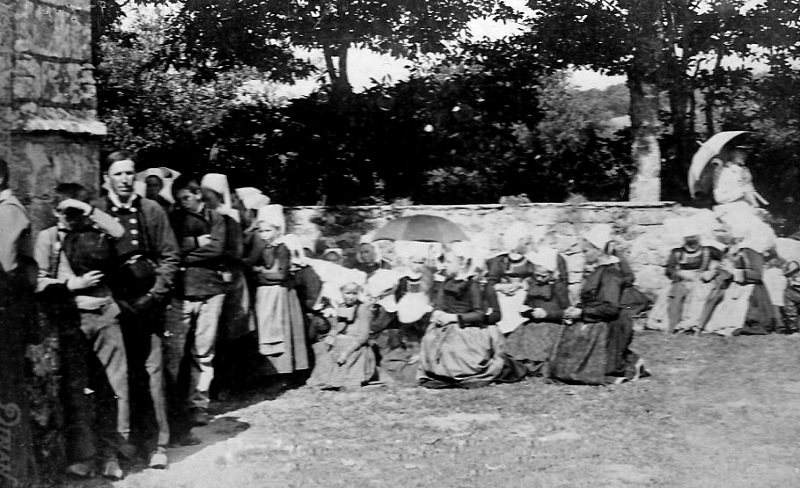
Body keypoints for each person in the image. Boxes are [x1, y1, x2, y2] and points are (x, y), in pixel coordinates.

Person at [35, 183, 130, 479]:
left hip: (103, 315)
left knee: (114, 388)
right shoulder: (47, 238)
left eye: (76, 211)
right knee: (75, 390)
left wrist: (89, 211)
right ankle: (84, 456)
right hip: (70, 319)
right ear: (54, 211)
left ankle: (112, 454)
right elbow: (37, 280)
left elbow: (120, 233)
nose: (71, 218)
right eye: (66, 212)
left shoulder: (95, 233)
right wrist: (71, 285)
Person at [99, 151, 178, 468]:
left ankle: (157, 446)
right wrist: (112, 301)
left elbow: (170, 257)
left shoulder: (152, 210)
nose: (124, 179)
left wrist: (155, 296)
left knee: (153, 375)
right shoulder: (99, 213)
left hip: (148, 307)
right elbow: (87, 259)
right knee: (115, 380)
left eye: (129, 173)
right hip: (113, 309)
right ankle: (115, 451)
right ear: (107, 178)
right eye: (118, 174)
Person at [165, 175, 228, 443]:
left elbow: (217, 249)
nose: (183, 204)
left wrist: (187, 253)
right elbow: (171, 248)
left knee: (203, 351)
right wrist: (196, 243)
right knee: (174, 351)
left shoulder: (217, 219)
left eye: (187, 198)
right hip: (181, 291)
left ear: (198, 195)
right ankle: (172, 406)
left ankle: (198, 404)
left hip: (211, 290)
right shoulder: (174, 218)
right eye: (179, 200)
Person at [548, 224, 646, 385]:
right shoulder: (598, 271)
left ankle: (632, 362)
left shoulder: (610, 274)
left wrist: (581, 313)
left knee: (579, 372)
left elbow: (610, 308)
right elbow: (592, 300)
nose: (584, 255)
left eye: (586, 251)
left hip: (610, 324)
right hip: (596, 318)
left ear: (598, 250)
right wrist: (577, 309)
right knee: (562, 368)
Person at [418, 245, 527, 389]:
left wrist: (453, 318)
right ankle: (440, 373)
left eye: (449, 262)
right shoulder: (446, 282)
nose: (445, 265)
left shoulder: (473, 285)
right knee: (429, 339)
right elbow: (439, 304)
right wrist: (438, 312)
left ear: (462, 263)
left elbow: (479, 314)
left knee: (458, 348)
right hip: (445, 326)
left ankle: (461, 372)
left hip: (467, 327)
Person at [0, 158, 37, 484]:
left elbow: (7, 268)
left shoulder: (8, 210)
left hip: (6, 318)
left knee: (7, 402)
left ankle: (15, 478)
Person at [245, 205, 309, 377]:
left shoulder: (282, 248)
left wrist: (260, 274)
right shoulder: (264, 247)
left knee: (281, 330)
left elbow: (281, 274)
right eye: (261, 230)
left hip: (280, 294)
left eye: (268, 230)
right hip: (265, 295)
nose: (264, 234)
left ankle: (285, 371)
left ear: (277, 229)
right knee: (266, 328)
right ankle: (268, 370)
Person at [701, 216, 775, 336]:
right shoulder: (729, 250)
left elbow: (757, 274)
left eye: (725, 231)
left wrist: (734, 271)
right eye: (720, 231)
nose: (721, 234)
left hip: (749, 290)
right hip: (732, 288)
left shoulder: (750, 250)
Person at [646, 220, 722, 333]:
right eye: (689, 240)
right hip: (682, 280)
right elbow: (669, 270)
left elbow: (725, 261)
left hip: (701, 281)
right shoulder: (677, 252)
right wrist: (680, 273)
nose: (692, 243)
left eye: (694, 239)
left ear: (699, 238)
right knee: (670, 294)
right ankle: (671, 323)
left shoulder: (709, 251)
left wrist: (712, 271)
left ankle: (693, 323)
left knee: (700, 294)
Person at [504, 249, 570, 375]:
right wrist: (525, 311)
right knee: (520, 337)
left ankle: (537, 366)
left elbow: (566, 312)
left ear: (552, 273)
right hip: (533, 323)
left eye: (543, 276)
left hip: (551, 324)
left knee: (541, 336)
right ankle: (524, 365)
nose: (539, 279)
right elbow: (527, 304)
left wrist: (547, 314)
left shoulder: (559, 287)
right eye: (537, 275)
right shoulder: (534, 285)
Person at [307, 282, 377, 390]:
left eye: (354, 293)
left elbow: (363, 336)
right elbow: (339, 327)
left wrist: (346, 352)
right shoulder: (342, 307)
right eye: (347, 293)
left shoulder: (362, 308)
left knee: (345, 356)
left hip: (357, 346)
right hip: (342, 342)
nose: (351, 297)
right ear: (341, 293)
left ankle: (344, 380)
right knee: (326, 353)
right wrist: (332, 335)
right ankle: (329, 379)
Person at [486, 222, 535, 335]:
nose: (527, 245)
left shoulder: (531, 261)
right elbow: (491, 282)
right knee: (506, 304)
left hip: (523, 294)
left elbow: (535, 278)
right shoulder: (500, 261)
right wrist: (501, 287)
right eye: (524, 242)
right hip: (504, 295)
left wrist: (521, 284)